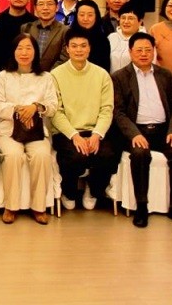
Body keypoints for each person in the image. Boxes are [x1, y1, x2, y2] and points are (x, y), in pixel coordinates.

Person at [111, 32, 172, 227]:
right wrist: (134, 134)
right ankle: (141, 207)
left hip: (163, 131)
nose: (144, 54)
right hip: (137, 131)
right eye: (139, 50)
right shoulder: (119, 77)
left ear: (154, 51)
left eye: (148, 50)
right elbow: (118, 112)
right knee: (140, 154)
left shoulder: (165, 75)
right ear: (130, 52)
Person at [0, 33, 58, 224]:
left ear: (36, 52)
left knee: (42, 155)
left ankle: (39, 207)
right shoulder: (3, 76)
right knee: (13, 156)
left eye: (29, 48)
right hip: (7, 129)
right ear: (13, 52)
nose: (24, 52)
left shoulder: (46, 77)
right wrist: (20, 111)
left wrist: (35, 107)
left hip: (36, 131)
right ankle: (11, 207)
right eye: (19, 48)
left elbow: (53, 106)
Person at [51, 28, 116, 211]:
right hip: (67, 132)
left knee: (108, 154)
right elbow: (56, 112)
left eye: (83, 46)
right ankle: (69, 192)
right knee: (75, 156)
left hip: (95, 130)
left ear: (89, 48)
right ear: (67, 49)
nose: (78, 50)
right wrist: (74, 135)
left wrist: (97, 135)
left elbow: (107, 109)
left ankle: (93, 190)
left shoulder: (101, 75)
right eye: (74, 46)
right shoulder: (56, 75)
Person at [57, 0, 111, 73]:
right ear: (76, 16)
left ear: (96, 16)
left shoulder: (103, 40)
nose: (85, 19)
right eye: (82, 15)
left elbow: (104, 69)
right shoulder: (69, 36)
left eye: (90, 15)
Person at [21, 0, 66, 72]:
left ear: (57, 7)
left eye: (50, 4)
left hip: (53, 76)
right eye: (41, 4)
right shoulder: (26, 28)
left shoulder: (65, 31)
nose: (45, 8)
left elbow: (64, 58)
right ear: (35, 8)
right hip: (28, 75)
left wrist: (47, 75)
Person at [108, 2, 146, 73]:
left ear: (140, 21)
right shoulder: (111, 37)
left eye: (130, 18)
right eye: (123, 18)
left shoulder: (146, 40)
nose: (126, 22)